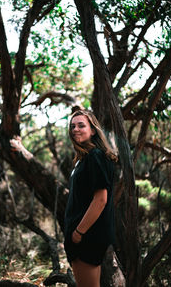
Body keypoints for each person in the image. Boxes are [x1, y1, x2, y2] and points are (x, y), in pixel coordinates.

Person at [64, 109, 117, 287]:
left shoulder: (95, 156)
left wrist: (79, 232)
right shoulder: (85, 158)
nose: (75, 129)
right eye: (73, 126)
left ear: (93, 130)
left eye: (81, 125)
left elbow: (101, 200)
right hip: (85, 236)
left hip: (87, 237)